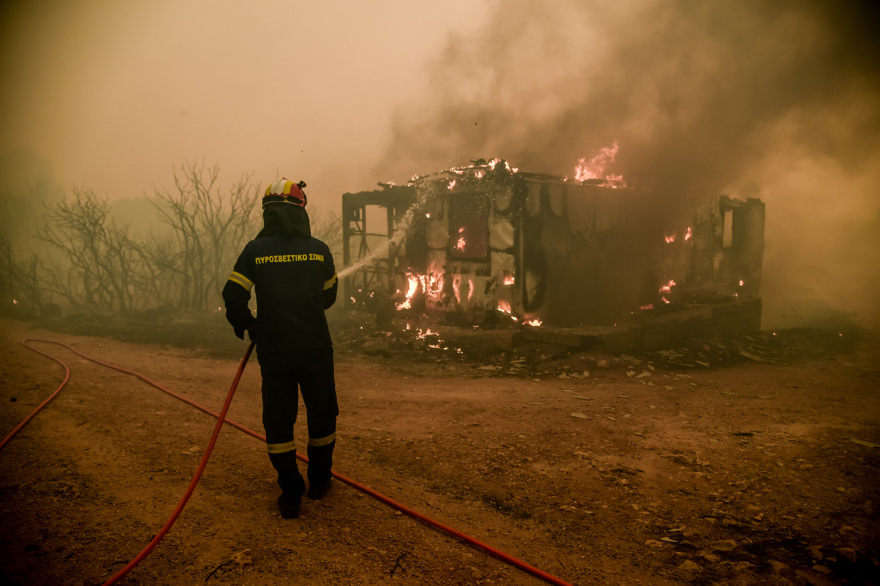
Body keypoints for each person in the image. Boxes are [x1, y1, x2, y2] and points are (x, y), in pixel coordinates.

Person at [222, 177, 338, 519]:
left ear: (267, 214)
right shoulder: (319, 249)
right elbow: (328, 296)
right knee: (322, 415)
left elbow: (232, 295)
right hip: (315, 347)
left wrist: (250, 325)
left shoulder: (255, 251)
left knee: (278, 420)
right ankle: (319, 482)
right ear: (300, 212)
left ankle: (290, 493)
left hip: (274, 350)